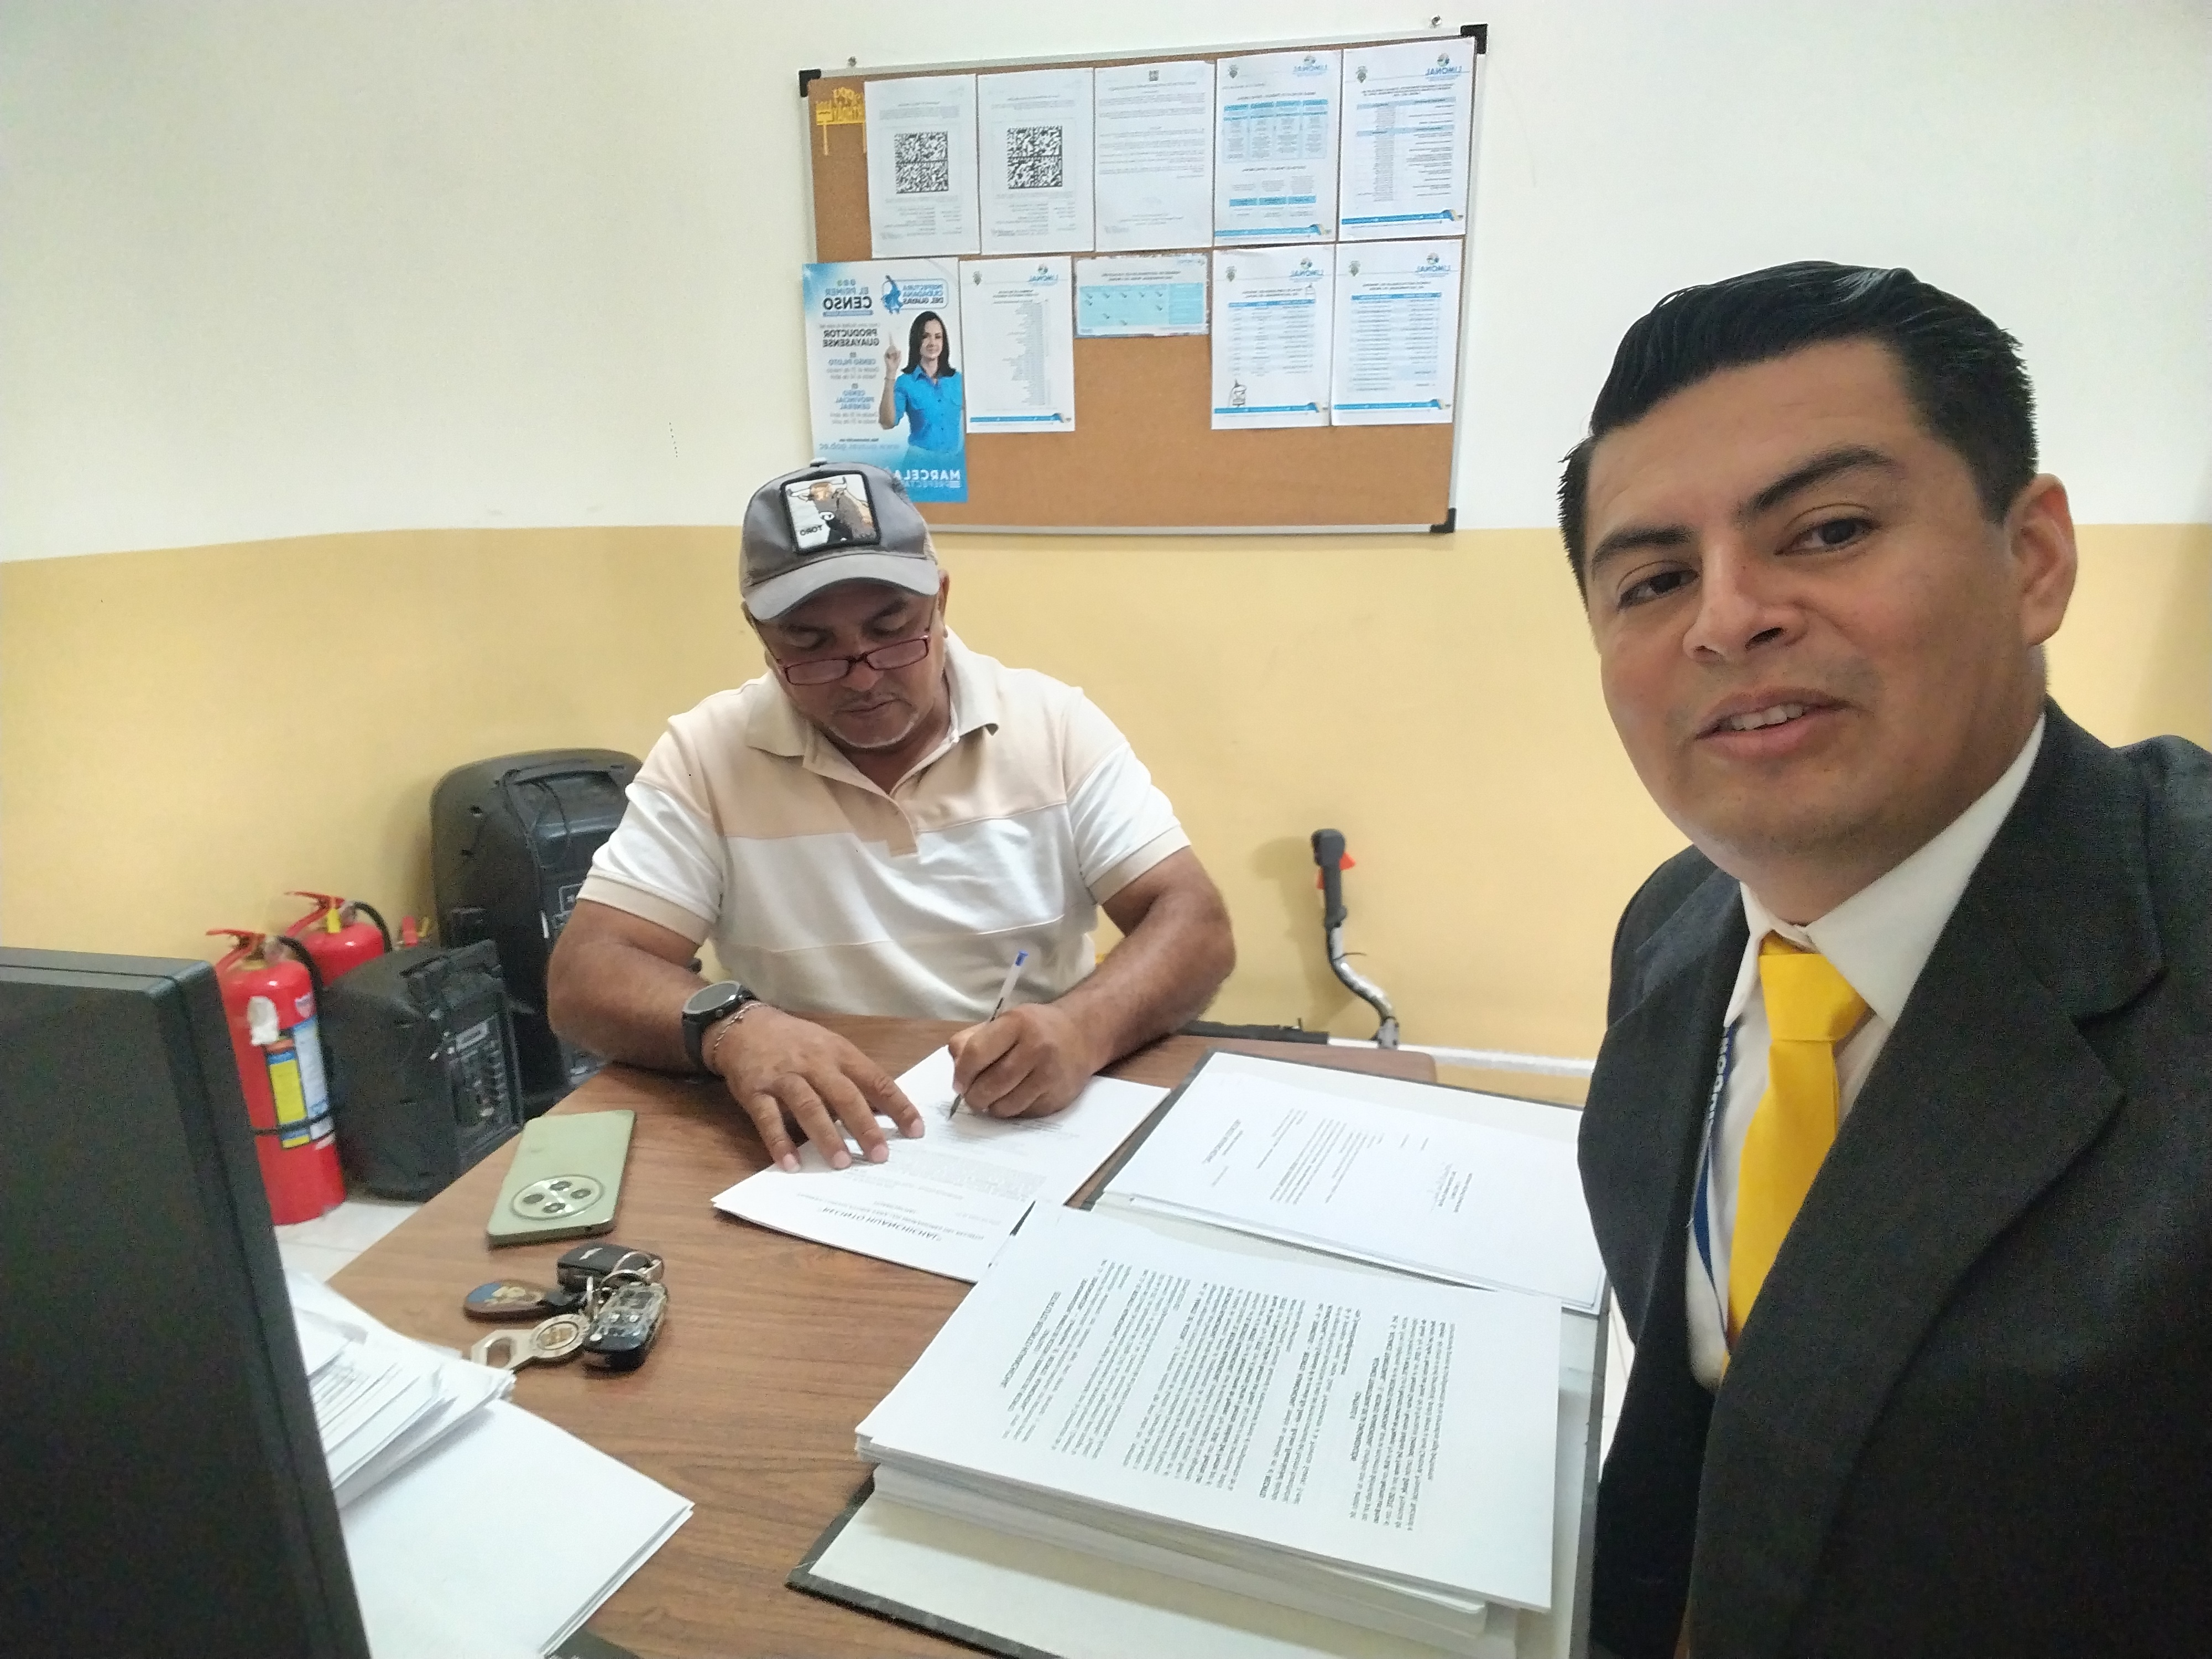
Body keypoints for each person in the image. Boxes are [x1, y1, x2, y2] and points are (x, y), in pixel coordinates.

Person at [1562, 263, 2210, 1657]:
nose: (1727, 618)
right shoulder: (1672, 928)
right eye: (1653, 580)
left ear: (2030, 558)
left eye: (1829, 530)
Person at [547, 460, 1234, 1176]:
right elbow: (586, 974)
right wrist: (733, 1028)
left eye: (892, 630)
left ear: (940, 599)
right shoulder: (707, 752)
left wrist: (1084, 1028)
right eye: (810, 645)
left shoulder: (1051, 726)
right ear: (760, 632)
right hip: (819, 1136)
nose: (863, 676)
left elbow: (1193, 919)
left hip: (1032, 1123)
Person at [877, 310, 961, 456]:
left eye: (938, 337)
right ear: (917, 341)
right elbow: (887, 423)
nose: (932, 343)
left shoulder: (958, 380)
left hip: (953, 464)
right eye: (925, 336)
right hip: (919, 463)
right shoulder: (906, 382)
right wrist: (891, 372)